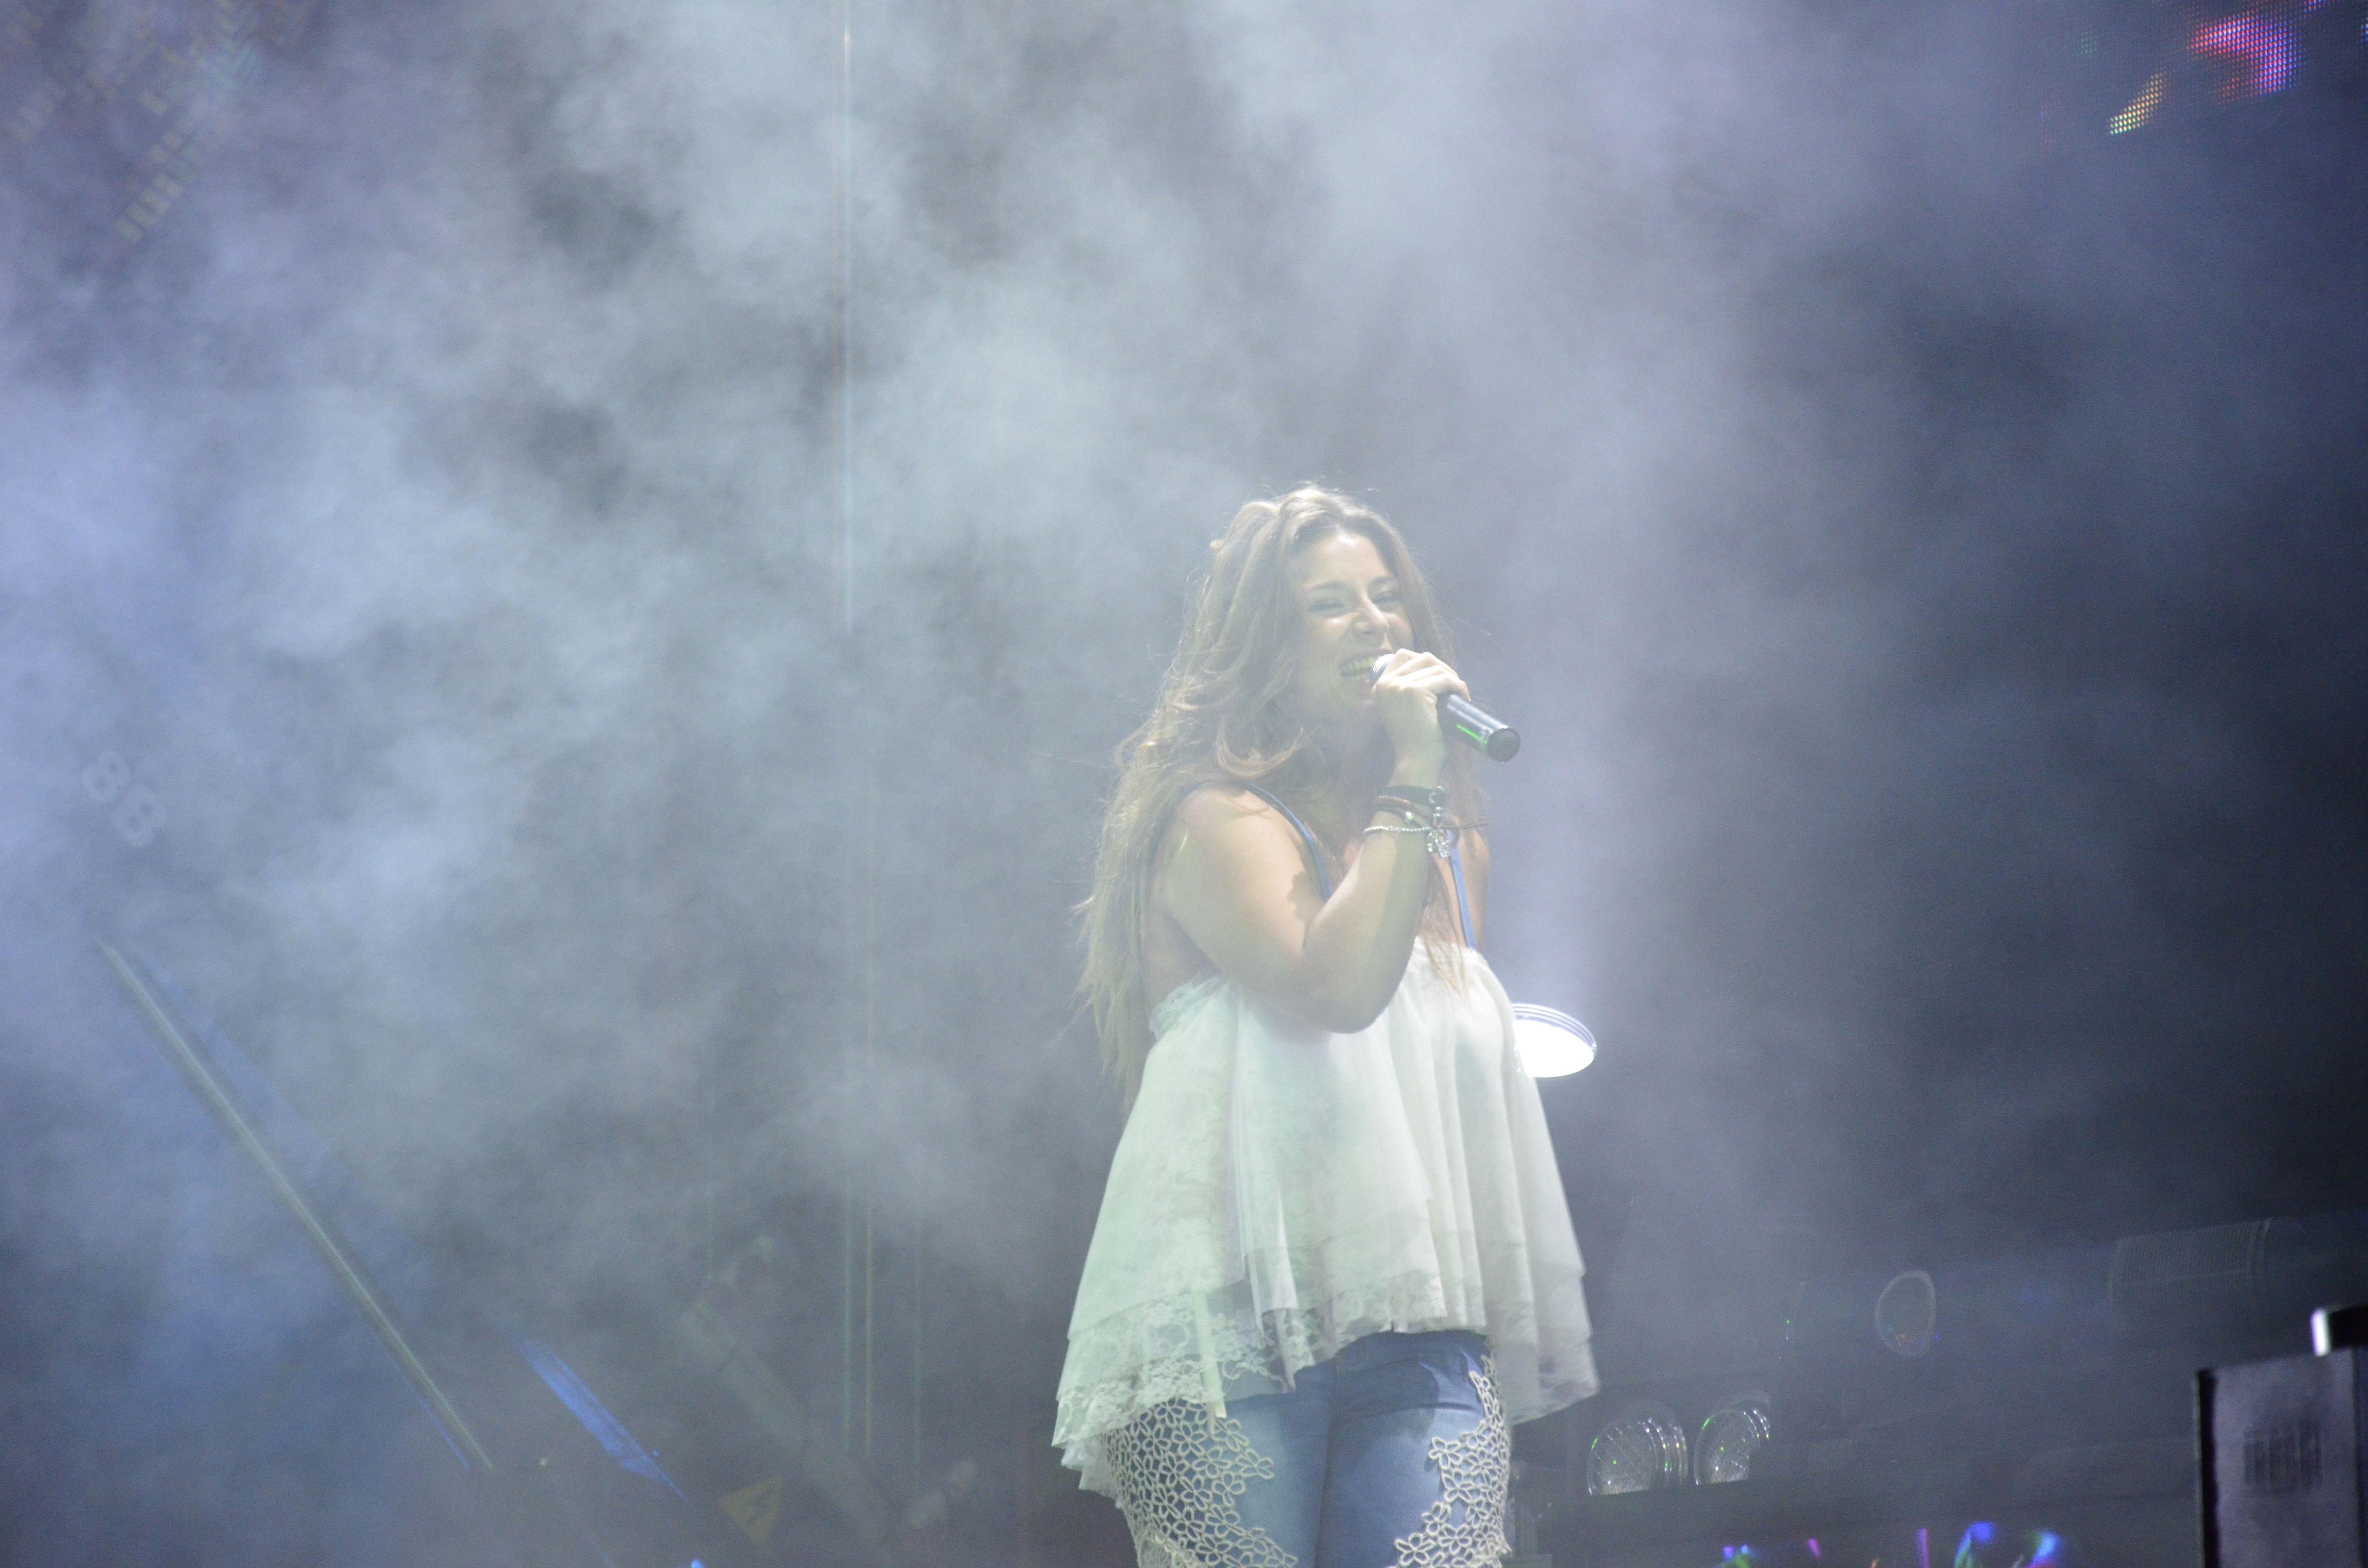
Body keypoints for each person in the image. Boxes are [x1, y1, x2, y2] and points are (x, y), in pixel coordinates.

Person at [1057, 487, 1597, 1568]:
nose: (1374, 623)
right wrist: (1414, 773)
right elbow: (1336, 990)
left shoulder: (1450, 852)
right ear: (1267, 647)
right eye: (1331, 604)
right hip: (1230, 1329)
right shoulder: (1214, 820)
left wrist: (1418, 793)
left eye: (1387, 598)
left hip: (1422, 1318)